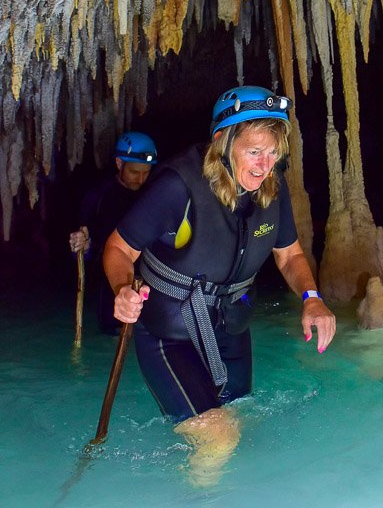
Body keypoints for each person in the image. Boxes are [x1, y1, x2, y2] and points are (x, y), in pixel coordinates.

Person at [103, 86, 336, 485]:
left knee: (241, 422)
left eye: (273, 152)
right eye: (254, 151)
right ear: (222, 142)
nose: (265, 165)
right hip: (167, 331)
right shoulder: (177, 186)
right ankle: (197, 496)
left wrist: (312, 298)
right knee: (218, 437)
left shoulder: (272, 189)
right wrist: (122, 288)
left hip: (230, 325)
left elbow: (290, 255)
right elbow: (119, 248)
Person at [69, 131, 158, 334]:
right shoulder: (99, 197)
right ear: (119, 164)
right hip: (112, 282)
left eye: (146, 172)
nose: (141, 179)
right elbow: (85, 245)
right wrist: (83, 245)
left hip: (149, 280)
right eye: (135, 172)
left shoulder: (154, 194)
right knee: (114, 336)